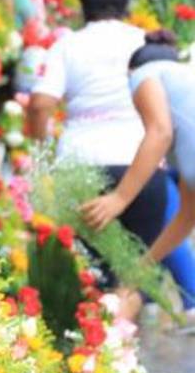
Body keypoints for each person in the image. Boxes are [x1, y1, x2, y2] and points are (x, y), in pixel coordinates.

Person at [27, 0, 195, 313]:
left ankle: (100, 343)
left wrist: (41, 155)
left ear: (83, 7)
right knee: (129, 282)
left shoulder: (72, 46)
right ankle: (120, 343)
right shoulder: (143, 43)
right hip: (142, 169)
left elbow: (40, 104)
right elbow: (185, 214)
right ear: (125, 5)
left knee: (93, 279)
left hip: (81, 168)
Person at [83, 31, 195, 275]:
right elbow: (187, 217)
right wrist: (139, 271)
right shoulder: (186, 141)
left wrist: (119, 198)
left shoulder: (144, 74)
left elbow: (160, 131)